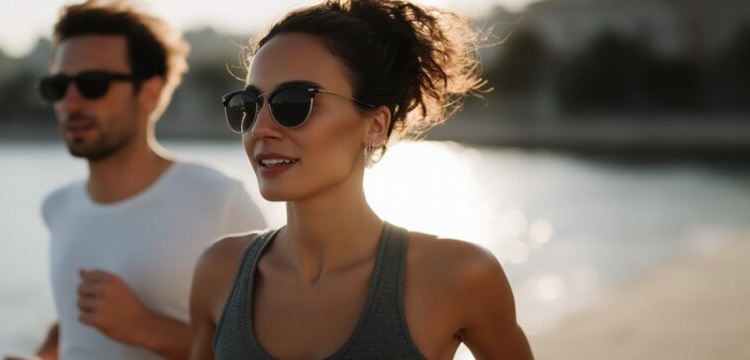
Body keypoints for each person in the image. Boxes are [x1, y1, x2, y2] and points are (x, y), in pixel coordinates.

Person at [189, 1, 533, 359]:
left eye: (292, 103)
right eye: (248, 105)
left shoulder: (457, 275)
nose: (260, 129)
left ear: (375, 126)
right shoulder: (220, 271)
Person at [28, 1, 268, 359]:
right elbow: (79, 327)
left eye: (93, 84)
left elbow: (269, 347)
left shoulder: (218, 200)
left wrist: (145, 327)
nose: (70, 102)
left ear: (151, 92)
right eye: (58, 86)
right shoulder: (57, 207)